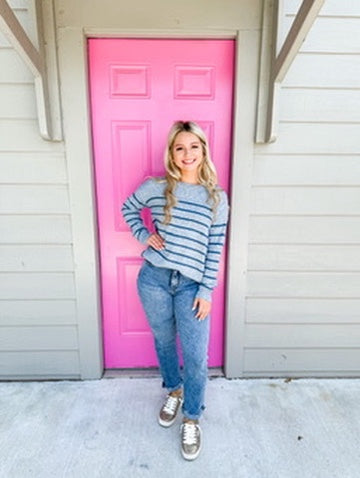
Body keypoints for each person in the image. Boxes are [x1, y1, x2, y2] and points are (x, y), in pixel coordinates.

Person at [122, 120, 229, 461]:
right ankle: (174, 389)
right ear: (171, 152)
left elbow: (215, 247)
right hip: (153, 279)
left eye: (193, 147)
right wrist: (144, 235)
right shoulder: (156, 187)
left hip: (192, 286)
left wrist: (207, 290)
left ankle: (192, 416)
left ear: (203, 151)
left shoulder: (217, 198)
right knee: (164, 340)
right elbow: (128, 209)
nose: (187, 154)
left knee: (197, 356)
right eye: (179, 147)